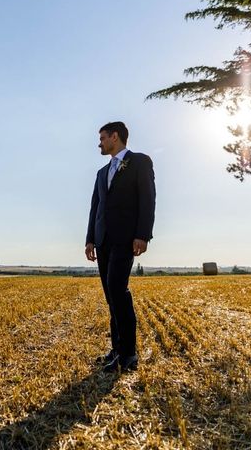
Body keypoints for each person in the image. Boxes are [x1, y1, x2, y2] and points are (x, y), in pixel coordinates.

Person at [85, 122, 156, 372]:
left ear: (115, 137)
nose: (100, 143)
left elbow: (148, 198)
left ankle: (129, 355)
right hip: (103, 240)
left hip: (126, 239)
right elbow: (95, 208)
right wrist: (90, 239)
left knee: (118, 290)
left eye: (103, 138)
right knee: (110, 296)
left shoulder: (140, 162)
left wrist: (143, 234)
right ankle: (116, 349)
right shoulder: (101, 173)